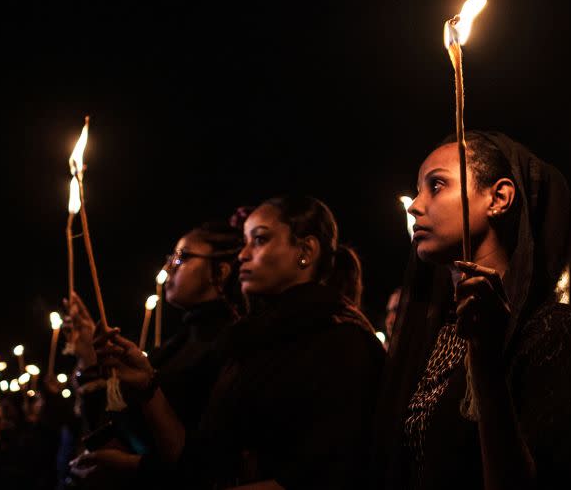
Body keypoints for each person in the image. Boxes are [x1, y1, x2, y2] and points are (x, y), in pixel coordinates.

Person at [82, 196, 385, 489]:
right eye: (245, 242)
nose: (243, 254)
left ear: (305, 251)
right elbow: (197, 465)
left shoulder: (342, 342)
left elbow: (325, 476)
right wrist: (148, 388)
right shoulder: (249, 342)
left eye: (260, 240)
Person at [374, 132, 571, 489]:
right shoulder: (439, 330)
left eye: (436, 186)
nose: (415, 206)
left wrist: (486, 363)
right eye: (418, 189)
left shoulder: (550, 332)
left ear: (499, 197)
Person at [68, 220, 244, 486]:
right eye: (170, 258)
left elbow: (205, 460)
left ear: (219, 271)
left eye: (181, 258)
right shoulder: (176, 346)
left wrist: (135, 467)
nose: (168, 268)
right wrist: (91, 361)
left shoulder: (230, 344)